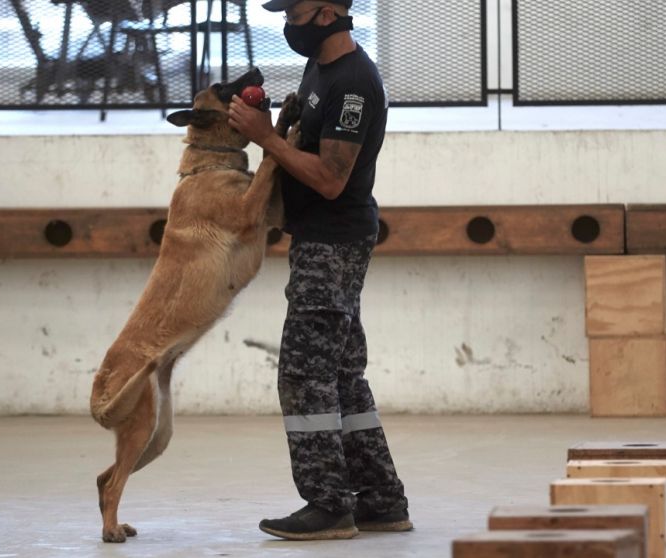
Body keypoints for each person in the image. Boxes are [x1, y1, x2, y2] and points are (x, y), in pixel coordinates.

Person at [227, 0, 410, 541]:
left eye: (297, 11)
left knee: (305, 379)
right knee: (343, 378)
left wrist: (266, 138)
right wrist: (284, 121)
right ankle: (381, 499)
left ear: (329, 10)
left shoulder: (352, 83)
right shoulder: (321, 70)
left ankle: (329, 504)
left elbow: (331, 179)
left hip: (333, 245)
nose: (289, 22)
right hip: (325, 240)